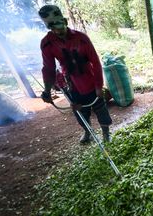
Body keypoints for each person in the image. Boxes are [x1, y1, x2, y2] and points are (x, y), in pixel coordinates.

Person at [38, 5, 112, 144]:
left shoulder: (81, 38)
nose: (60, 32)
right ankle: (87, 131)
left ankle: (106, 132)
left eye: (61, 28)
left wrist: (98, 86)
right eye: (55, 30)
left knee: (100, 108)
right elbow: (48, 68)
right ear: (50, 28)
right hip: (71, 84)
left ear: (65, 22)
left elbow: (95, 62)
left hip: (89, 79)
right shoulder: (47, 44)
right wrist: (47, 91)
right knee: (79, 111)